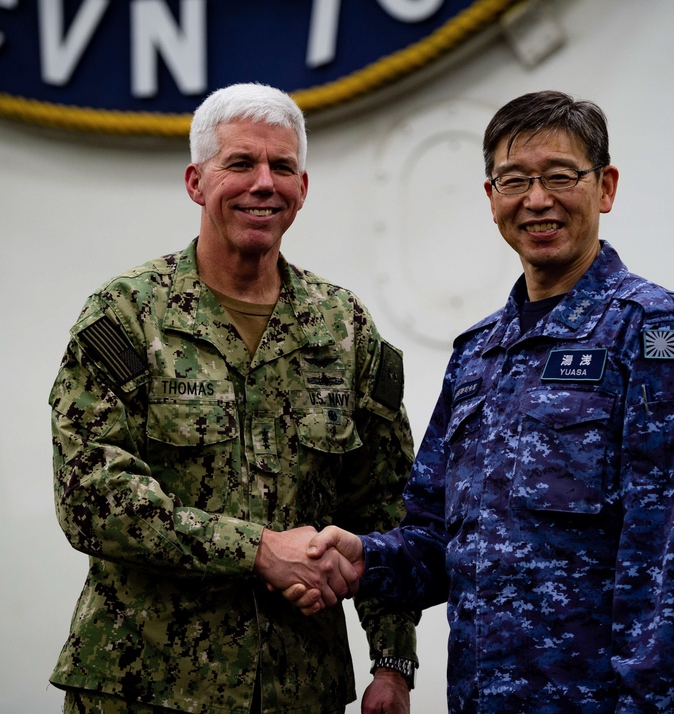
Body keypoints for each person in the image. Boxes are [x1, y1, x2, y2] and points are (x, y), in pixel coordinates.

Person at [288, 90, 674, 712]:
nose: (537, 199)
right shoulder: (478, 356)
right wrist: (363, 559)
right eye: (514, 180)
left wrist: (644, 697)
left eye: (560, 176)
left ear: (605, 188)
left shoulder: (653, 330)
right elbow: (434, 540)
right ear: (490, 198)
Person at [48, 82, 419, 714]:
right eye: (240, 164)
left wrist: (392, 662)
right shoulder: (129, 314)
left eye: (283, 167)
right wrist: (257, 551)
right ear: (196, 181)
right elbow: (91, 497)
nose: (264, 183)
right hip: (144, 687)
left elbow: (384, 505)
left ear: (303, 188)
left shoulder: (343, 326)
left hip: (300, 687)